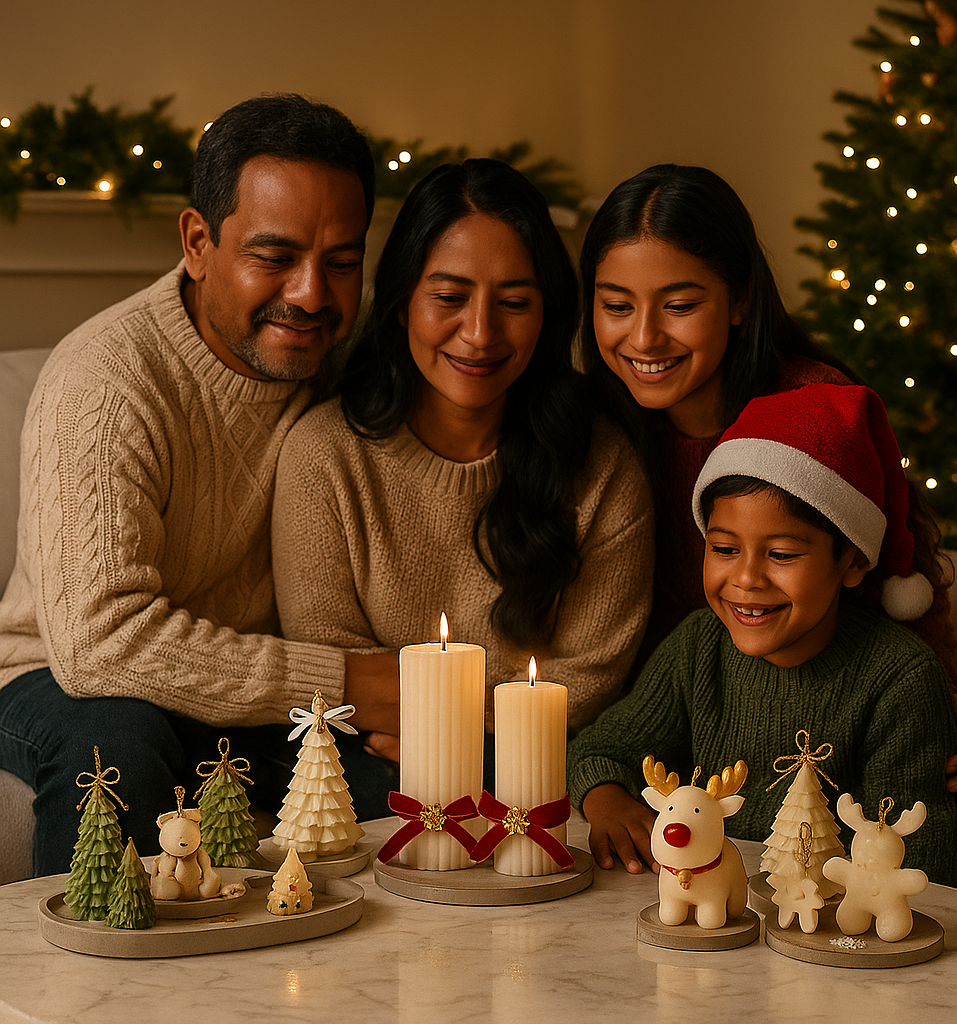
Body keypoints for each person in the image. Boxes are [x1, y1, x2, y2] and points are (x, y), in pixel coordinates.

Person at [0, 94, 376, 874]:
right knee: (116, 750)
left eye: (342, 262)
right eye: (275, 256)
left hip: (248, 692)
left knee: (413, 778)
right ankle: (73, 961)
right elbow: (101, 643)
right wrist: (347, 682)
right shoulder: (105, 382)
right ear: (198, 242)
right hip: (56, 673)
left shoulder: (354, 366)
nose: (312, 293)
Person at [577, 164, 957, 810]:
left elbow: (905, 566)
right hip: (668, 741)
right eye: (617, 306)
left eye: (680, 305)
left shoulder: (814, 411)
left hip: (821, 736)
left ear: (740, 300)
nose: (645, 337)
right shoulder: (597, 428)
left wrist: (945, 700)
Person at [271, 159, 654, 817]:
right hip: (369, 759)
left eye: (514, 303)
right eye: (449, 298)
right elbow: (331, 667)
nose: (480, 334)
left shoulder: (601, 464)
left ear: (547, 315)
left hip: (536, 759)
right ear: (401, 304)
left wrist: (440, 735)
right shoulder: (325, 455)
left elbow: (589, 679)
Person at [567, 383, 957, 893]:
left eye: (782, 555)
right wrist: (608, 801)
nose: (746, 578)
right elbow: (599, 750)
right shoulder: (699, 645)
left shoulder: (899, 680)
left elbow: (924, 871)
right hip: (724, 915)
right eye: (724, 549)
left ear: (854, 562)